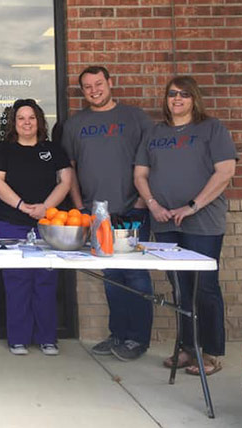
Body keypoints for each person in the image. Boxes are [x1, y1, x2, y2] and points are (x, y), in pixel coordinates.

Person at [134, 76, 237, 376]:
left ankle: (212, 352)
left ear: (194, 99)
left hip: (202, 223)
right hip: (165, 223)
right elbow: (140, 174)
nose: (177, 99)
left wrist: (192, 206)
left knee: (205, 287)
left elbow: (225, 172)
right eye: (171, 94)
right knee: (180, 288)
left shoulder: (211, 129)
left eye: (183, 94)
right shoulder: (155, 133)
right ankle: (187, 347)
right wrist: (153, 204)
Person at [61, 65, 155, 361]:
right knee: (112, 276)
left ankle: (138, 339)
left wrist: (142, 201)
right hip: (96, 213)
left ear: (110, 83)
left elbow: (152, 162)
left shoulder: (135, 118)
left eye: (98, 84)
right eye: (87, 87)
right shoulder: (76, 124)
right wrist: (79, 207)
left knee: (136, 276)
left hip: (131, 210)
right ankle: (118, 334)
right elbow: (70, 169)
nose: (94, 90)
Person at [0, 99, 72, 355]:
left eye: (31, 118)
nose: (26, 123)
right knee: (16, 281)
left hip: (47, 223)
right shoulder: (2, 149)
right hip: (10, 221)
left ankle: (47, 338)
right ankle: (18, 338)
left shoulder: (53, 149)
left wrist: (45, 207)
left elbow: (66, 181)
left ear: (39, 121)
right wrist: (23, 206)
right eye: (21, 118)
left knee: (46, 279)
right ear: (14, 122)